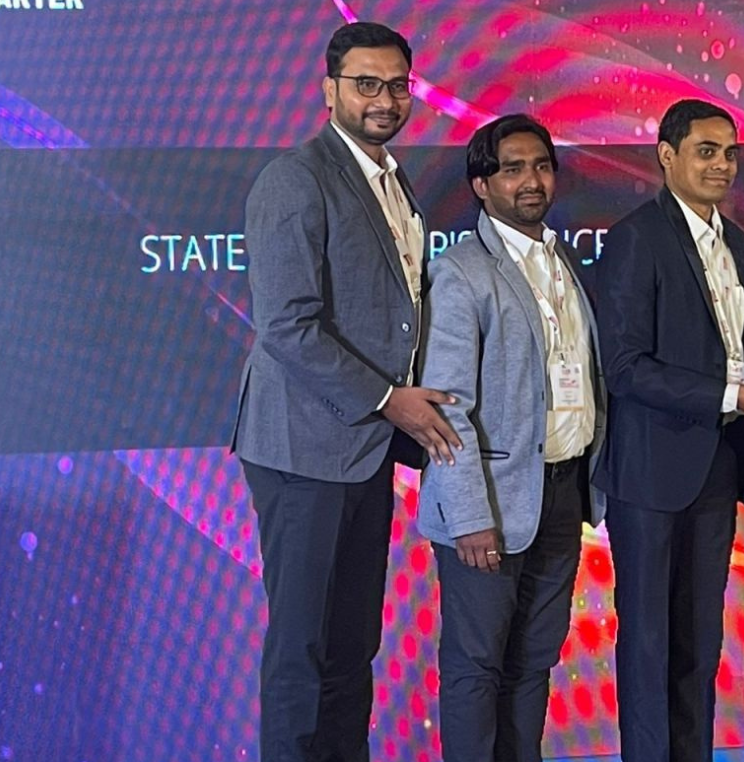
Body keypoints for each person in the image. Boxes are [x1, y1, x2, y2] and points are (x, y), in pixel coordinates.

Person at [231, 22, 460, 762]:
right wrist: (391, 400)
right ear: (330, 90)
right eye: (366, 84)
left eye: (397, 85)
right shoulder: (296, 178)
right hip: (303, 448)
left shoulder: (393, 180)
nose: (384, 100)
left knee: (352, 643)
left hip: (363, 449)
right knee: (304, 649)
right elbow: (287, 326)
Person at [593, 98, 744, 761]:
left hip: (718, 464)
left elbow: (727, 348)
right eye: (706, 151)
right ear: (667, 155)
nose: (722, 165)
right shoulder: (637, 238)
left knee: (699, 645)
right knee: (649, 643)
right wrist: (733, 393)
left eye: (730, 153)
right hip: (651, 472)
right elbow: (625, 366)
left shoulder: (733, 240)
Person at [416, 113, 607, 762]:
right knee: (476, 666)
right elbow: (446, 408)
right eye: (513, 168)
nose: (531, 180)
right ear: (481, 184)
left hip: (560, 494)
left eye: (542, 166)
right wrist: (470, 516)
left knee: (534, 660)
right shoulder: (461, 273)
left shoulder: (560, 262)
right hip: (488, 506)